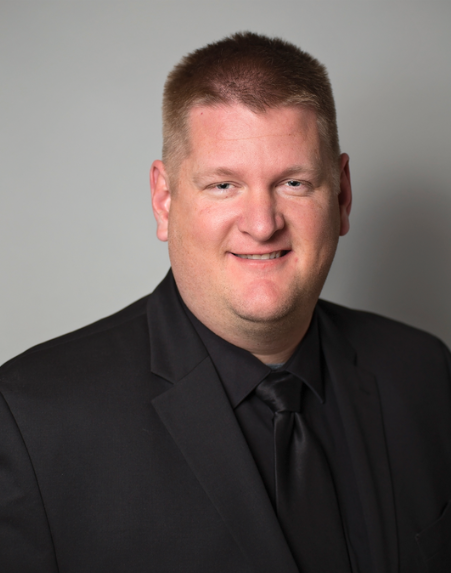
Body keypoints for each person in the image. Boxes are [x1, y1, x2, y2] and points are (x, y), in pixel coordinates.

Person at [1, 32, 450, 573]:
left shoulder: (425, 374)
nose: (262, 225)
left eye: (293, 183)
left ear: (342, 194)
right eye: (223, 185)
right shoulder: (32, 422)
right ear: (164, 200)